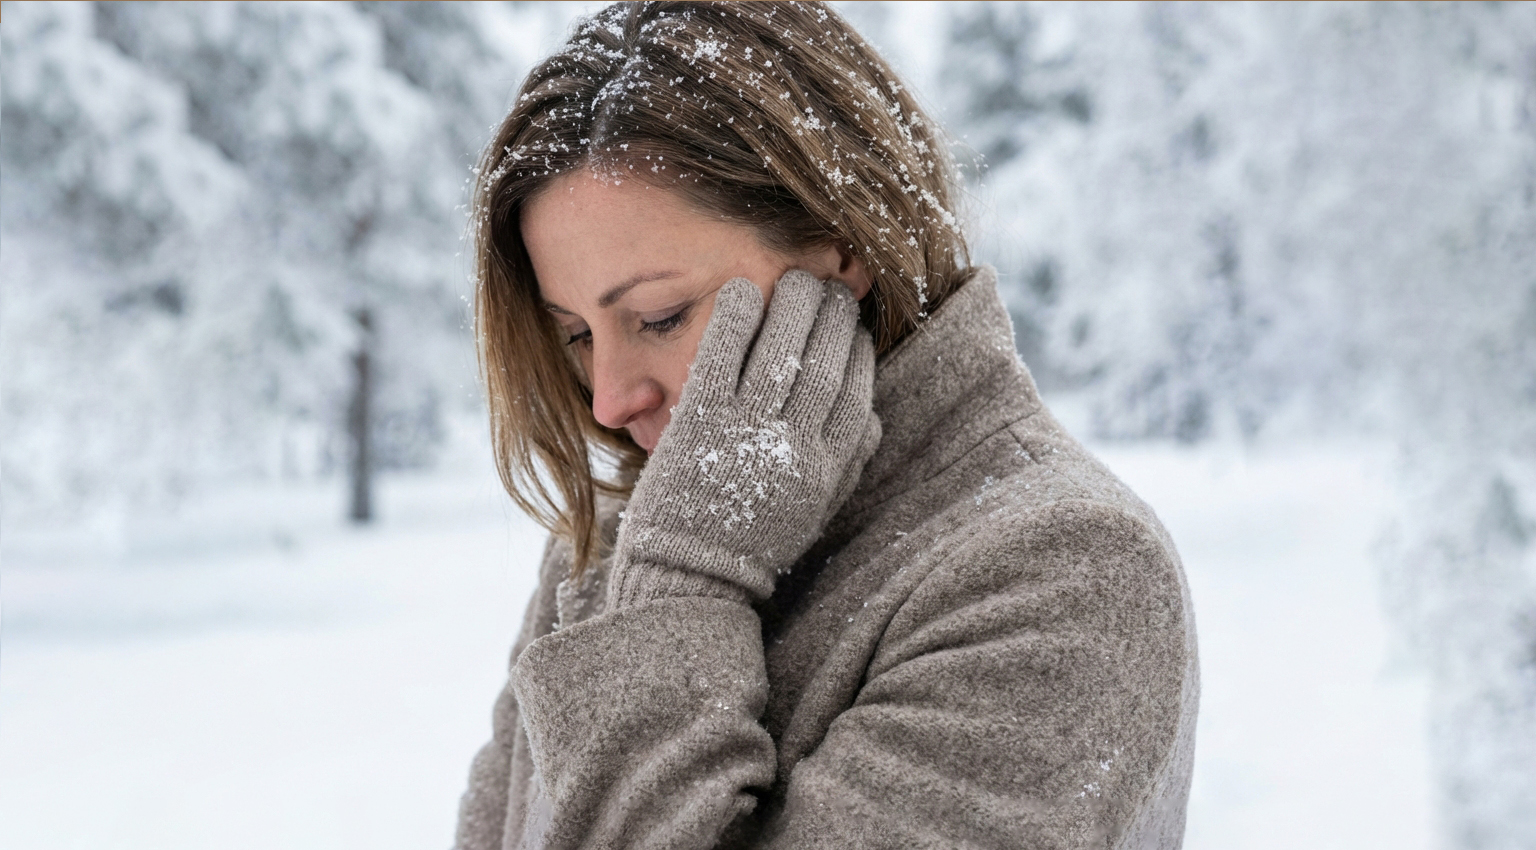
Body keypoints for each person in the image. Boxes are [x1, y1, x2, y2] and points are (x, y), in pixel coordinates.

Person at [456, 3, 1198, 848]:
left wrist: (684, 586)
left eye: (660, 316)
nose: (610, 400)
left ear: (840, 250)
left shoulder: (1064, 570)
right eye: (578, 337)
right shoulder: (624, 542)